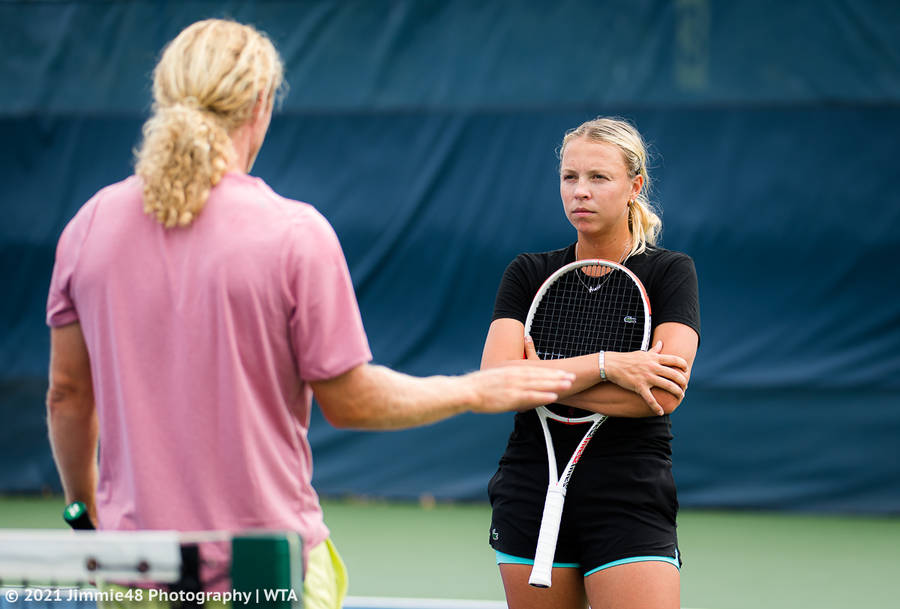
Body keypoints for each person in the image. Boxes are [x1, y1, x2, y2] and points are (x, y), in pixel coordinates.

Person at [44, 19, 574, 609]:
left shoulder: (88, 227)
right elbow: (350, 402)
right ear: (261, 105)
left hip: (130, 572)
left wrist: (85, 514)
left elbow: (66, 394)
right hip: (268, 572)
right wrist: (472, 390)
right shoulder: (295, 234)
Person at [480, 117, 700, 609]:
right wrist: (608, 366)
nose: (581, 191)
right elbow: (495, 382)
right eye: (569, 177)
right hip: (530, 489)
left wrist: (538, 379)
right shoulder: (527, 273)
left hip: (631, 495)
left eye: (598, 177)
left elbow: (662, 394)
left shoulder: (670, 273)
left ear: (634, 186)